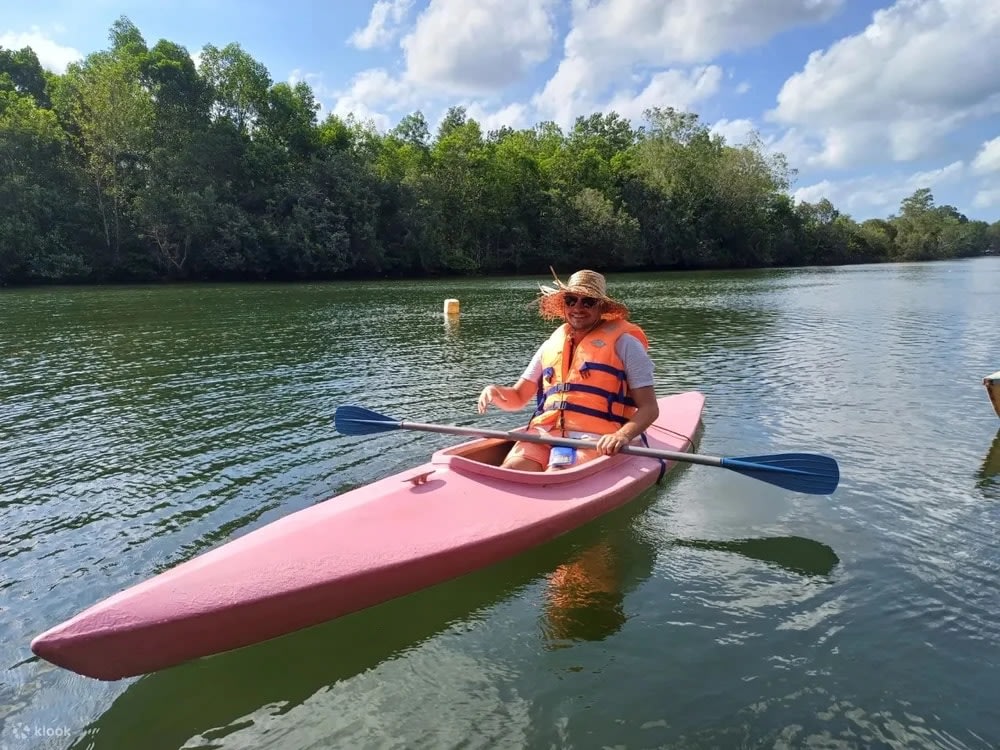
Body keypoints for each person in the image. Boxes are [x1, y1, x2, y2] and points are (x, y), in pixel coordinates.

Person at [477, 268, 659, 471]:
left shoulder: (626, 344)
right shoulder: (551, 345)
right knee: (512, 468)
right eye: (571, 300)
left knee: (557, 473)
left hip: (594, 438)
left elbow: (649, 408)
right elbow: (518, 397)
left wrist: (621, 436)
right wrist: (495, 391)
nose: (578, 308)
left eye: (588, 301)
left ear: (601, 307)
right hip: (546, 432)